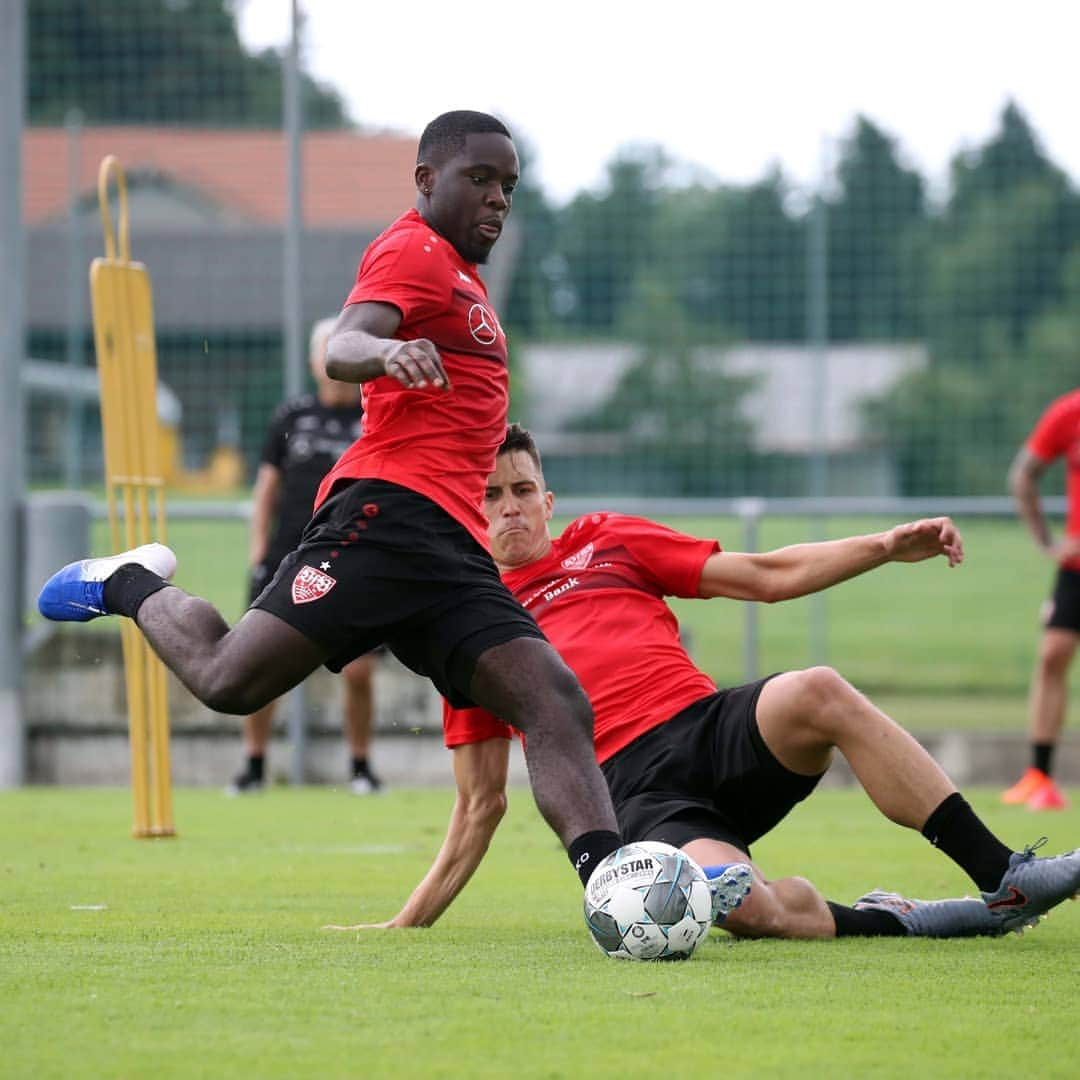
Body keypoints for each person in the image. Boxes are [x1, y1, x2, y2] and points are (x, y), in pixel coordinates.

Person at [38, 111, 626, 897]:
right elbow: (343, 344)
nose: (497, 200)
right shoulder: (412, 248)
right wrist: (385, 351)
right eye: (479, 180)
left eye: (508, 186)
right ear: (426, 181)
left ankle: (617, 888)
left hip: (450, 550)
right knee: (227, 681)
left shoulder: (464, 275)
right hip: (384, 520)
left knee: (552, 699)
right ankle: (130, 583)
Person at [333, 424, 1080, 937]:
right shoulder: (469, 629)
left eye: (521, 490)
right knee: (750, 913)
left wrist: (883, 545)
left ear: (548, 499)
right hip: (633, 795)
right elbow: (479, 805)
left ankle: (1005, 876)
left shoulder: (609, 540)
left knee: (815, 686)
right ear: (470, 513)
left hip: (710, 729)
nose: (509, 508)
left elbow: (764, 575)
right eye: (490, 497)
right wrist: (406, 924)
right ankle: (897, 917)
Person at [227, 317, 382, 797]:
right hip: (288, 556)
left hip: (355, 557)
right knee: (260, 663)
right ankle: (254, 766)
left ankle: (360, 767)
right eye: (326, 352)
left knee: (358, 672)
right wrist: (259, 552)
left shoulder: (373, 416)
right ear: (316, 361)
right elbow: (266, 489)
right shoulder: (291, 417)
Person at [1002, 389, 1080, 811]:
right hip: (1076, 570)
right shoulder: (1069, 412)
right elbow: (1023, 475)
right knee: (1053, 655)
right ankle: (1040, 776)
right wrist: (1046, 542)